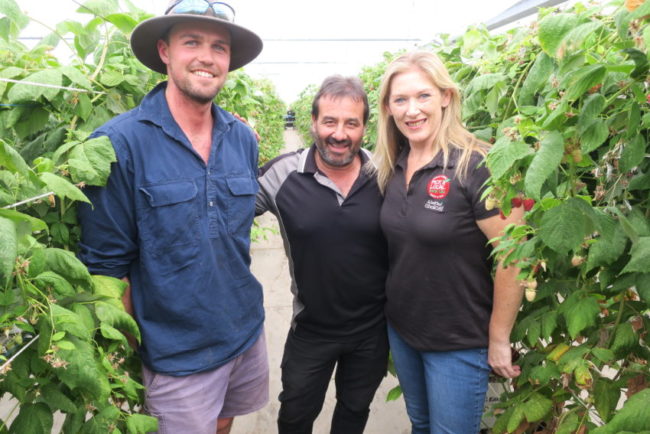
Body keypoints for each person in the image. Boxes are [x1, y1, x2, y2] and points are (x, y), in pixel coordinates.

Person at [77, 1, 267, 433]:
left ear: (229, 61)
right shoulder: (118, 144)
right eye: (192, 42)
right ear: (164, 51)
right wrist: (125, 358)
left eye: (219, 47)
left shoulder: (242, 139)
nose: (207, 57)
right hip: (175, 356)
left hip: (244, 331)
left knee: (224, 425)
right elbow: (106, 269)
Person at [373, 51, 524, 434]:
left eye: (423, 96)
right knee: (421, 423)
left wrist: (499, 338)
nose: (412, 110)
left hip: (458, 339)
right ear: (388, 108)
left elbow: (515, 256)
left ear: (446, 97)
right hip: (404, 330)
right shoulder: (394, 164)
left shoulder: (477, 164)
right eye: (400, 100)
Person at [256, 76, 389, 434]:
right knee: (296, 415)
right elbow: (223, 207)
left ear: (364, 127)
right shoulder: (281, 174)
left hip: (372, 330)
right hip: (312, 329)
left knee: (354, 410)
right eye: (330, 121)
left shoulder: (387, 173)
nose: (339, 133)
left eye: (351, 123)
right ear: (312, 122)